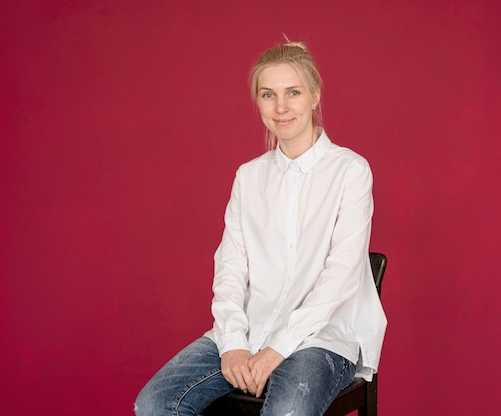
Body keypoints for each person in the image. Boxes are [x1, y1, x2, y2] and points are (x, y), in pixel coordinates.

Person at [134, 40, 387, 416]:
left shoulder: (350, 170)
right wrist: (234, 342)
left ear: (315, 96)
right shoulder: (249, 177)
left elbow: (342, 276)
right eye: (268, 94)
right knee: (156, 404)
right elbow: (231, 267)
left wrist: (278, 348)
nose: (281, 107)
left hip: (322, 338)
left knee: (289, 412)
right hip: (249, 329)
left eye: (293, 93)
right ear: (258, 101)